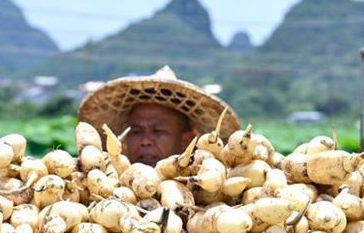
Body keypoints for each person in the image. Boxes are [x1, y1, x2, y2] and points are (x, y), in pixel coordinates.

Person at [77, 65, 241, 166]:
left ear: (187, 141)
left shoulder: (205, 195)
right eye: (136, 131)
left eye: (159, 131)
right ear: (125, 139)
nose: (146, 141)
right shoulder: (108, 188)